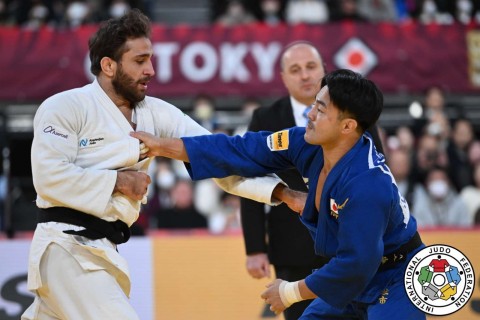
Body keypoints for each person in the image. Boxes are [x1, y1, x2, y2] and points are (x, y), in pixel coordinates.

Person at [22, 9, 288, 320]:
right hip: (67, 245)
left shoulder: (158, 114)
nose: (150, 70)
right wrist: (119, 182)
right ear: (108, 65)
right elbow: (49, 177)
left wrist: (282, 193)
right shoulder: (66, 107)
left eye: (150, 59)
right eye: (139, 61)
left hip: (104, 248)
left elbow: (215, 155)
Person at [132, 69, 426, 319]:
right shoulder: (304, 142)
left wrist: (289, 291)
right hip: (354, 273)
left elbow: (356, 264)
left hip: (396, 275)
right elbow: (241, 150)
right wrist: (164, 146)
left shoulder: (367, 185)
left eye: (321, 110)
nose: (310, 114)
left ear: (348, 126)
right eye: (315, 104)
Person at [239, 41, 327, 320]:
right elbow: (250, 182)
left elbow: (380, 172)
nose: (305, 75)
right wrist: (255, 248)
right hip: (292, 247)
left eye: (311, 67)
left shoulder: (352, 109)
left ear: (324, 69)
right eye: (296, 69)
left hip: (349, 243)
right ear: (284, 78)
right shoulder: (266, 118)